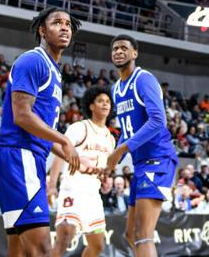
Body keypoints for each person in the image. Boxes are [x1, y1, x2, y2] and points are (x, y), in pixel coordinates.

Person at [0, 7, 80, 257]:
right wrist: (64, 139)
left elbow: (40, 130)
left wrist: (69, 153)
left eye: (68, 24)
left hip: (27, 158)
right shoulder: (33, 60)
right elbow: (22, 115)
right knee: (42, 250)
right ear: (42, 30)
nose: (64, 28)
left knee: (19, 252)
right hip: (19, 156)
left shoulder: (54, 70)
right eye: (57, 22)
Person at [103, 35, 179, 257]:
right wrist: (112, 160)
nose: (118, 51)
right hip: (140, 164)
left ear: (134, 53)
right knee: (130, 234)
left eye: (124, 48)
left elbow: (158, 120)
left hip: (157, 159)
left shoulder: (144, 79)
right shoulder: (116, 89)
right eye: (115, 48)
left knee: (143, 234)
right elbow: (127, 133)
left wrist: (121, 150)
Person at [53, 87, 115, 257]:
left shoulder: (110, 138)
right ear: (91, 106)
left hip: (93, 194)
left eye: (107, 102)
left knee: (97, 246)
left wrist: (105, 178)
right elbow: (60, 152)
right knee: (64, 238)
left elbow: (102, 169)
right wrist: (51, 184)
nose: (105, 104)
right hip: (73, 187)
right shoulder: (80, 127)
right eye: (100, 101)